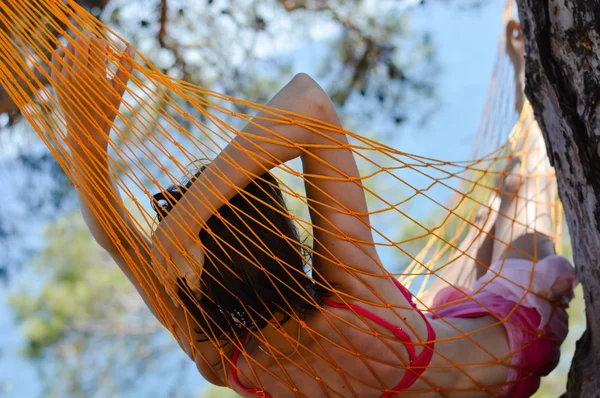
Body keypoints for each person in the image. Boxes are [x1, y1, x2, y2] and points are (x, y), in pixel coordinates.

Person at [50, 20, 576, 397]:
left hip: (466, 332)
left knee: (505, 200)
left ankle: (525, 104)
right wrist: (179, 232)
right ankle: (525, 110)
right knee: (520, 192)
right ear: (277, 236)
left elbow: (114, 239)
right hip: (516, 343)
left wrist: (86, 137)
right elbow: (308, 102)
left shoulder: (224, 361)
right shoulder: (350, 293)